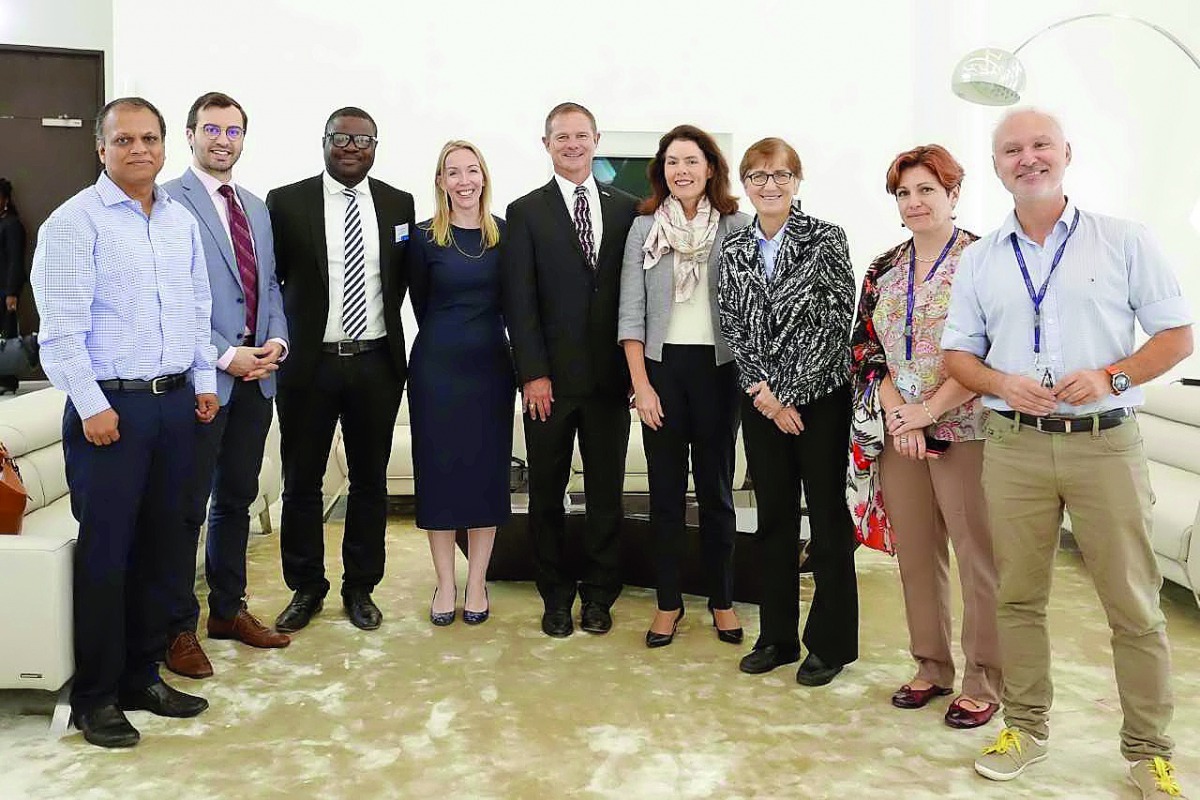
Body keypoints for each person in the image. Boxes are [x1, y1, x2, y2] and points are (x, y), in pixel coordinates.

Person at [942, 108, 1193, 798]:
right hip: (1013, 447)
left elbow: (1175, 336)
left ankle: (1148, 751)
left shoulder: (1123, 241)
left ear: (1066, 153)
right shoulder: (981, 260)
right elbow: (958, 354)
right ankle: (1026, 727)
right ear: (997, 166)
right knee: (1018, 599)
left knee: (1134, 606)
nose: (1028, 158)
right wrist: (999, 382)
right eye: (1012, 149)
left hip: (1105, 444)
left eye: (1040, 145)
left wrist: (1115, 376)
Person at [30, 97, 218, 748]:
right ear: (101, 147)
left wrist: (203, 383)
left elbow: (197, 308)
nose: (140, 149)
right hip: (111, 411)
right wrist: (92, 406)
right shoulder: (73, 224)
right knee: (107, 560)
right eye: (125, 140)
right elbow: (58, 335)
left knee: (166, 552)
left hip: (173, 407)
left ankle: (143, 676)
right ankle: (96, 698)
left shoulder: (178, 221)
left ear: (166, 146)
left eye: (151, 138)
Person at [847, 144, 1000, 728]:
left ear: (954, 195)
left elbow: (996, 347)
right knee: (915, 554)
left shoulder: (985, 259)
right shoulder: (884, 266)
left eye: (927, 191)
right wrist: (897, 413)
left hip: (965, 429)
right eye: (904, 193)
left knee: (976, 556)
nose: (914, 202)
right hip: (899, 431)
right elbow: (864, 348)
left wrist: (929, 411)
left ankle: (985, 677)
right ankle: (932, 666)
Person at [266, 107, 415, 633]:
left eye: (364, 139)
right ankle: (306, 587)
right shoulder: (286, 202)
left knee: (370, 482)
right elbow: (272, 283)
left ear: (376, 146)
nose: (352, 147)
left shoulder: (399, 204)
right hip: (309, 365)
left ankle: (360, 587)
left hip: (375, 362)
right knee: (301, 482)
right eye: (341, 137)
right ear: (324, 140)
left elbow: (397, 282)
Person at [717, 137, 858, 686]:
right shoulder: (732, 250)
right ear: (744, 184)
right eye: (757, 176)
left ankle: (830, 644)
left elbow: (833, 323)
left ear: (797, 182)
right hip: (761, 403)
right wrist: (765, 394)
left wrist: (790, 394)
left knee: (826, 522)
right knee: (772, 520)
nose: (769, 185)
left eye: (780, 175)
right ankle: (776, 636)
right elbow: (734, 325)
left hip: (820, 400)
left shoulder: (826, 238)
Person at [161, 91, 291, 679]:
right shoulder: (167, 203)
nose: (222, 140)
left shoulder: (257, 208)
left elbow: (270, 288)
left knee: (235, 500)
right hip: (202, 382)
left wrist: (276, 344)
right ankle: (176, 628)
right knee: (187, 507)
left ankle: (227, 610)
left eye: (233, 131)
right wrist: (225, 355)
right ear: (190, 135)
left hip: (256, 383)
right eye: (211, 129)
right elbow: (170, 299)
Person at [501, 102, 639, 638]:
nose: (573, 144)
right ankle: (555, 594)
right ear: (546, 143)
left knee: (607, 492)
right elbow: (520, 300)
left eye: (582, 136)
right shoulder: (525, 211)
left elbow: (636, 296)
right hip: (548, 386)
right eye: (563, 137)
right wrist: (533, 373)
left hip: (610, 381)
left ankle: (600, 594)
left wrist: (637, 371)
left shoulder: (629, 208)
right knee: (547, 493)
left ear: (596, 139)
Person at [617, 124, 749, 648]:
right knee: (666, 495)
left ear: (711, 167)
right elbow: (631, 312)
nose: (682, 171)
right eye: (672, 162)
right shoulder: (644, 226)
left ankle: (722, 601)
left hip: (720, 371)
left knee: (716, 493)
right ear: (662, 170)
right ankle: (668, 604)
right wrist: (641, 387)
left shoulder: (737, 226)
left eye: (692, 161)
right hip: (661, 372)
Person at [408, 140, 513, 626]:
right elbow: (420, 303)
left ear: (485, 177)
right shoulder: (423, 237)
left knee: (484, 474)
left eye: (473, 171)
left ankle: (477, 582)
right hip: (437, 369)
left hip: (491, 370)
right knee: (441, 473)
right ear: (441, 181)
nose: (465, 181)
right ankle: (446, 582)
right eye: (454, 173)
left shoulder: (505, 236)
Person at [0, 177, 27, 394]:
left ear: (5, 199)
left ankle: (7, 379)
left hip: (5, 291)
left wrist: (12, 293)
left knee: (6, 336)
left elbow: (15, 261)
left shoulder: (12, 224)